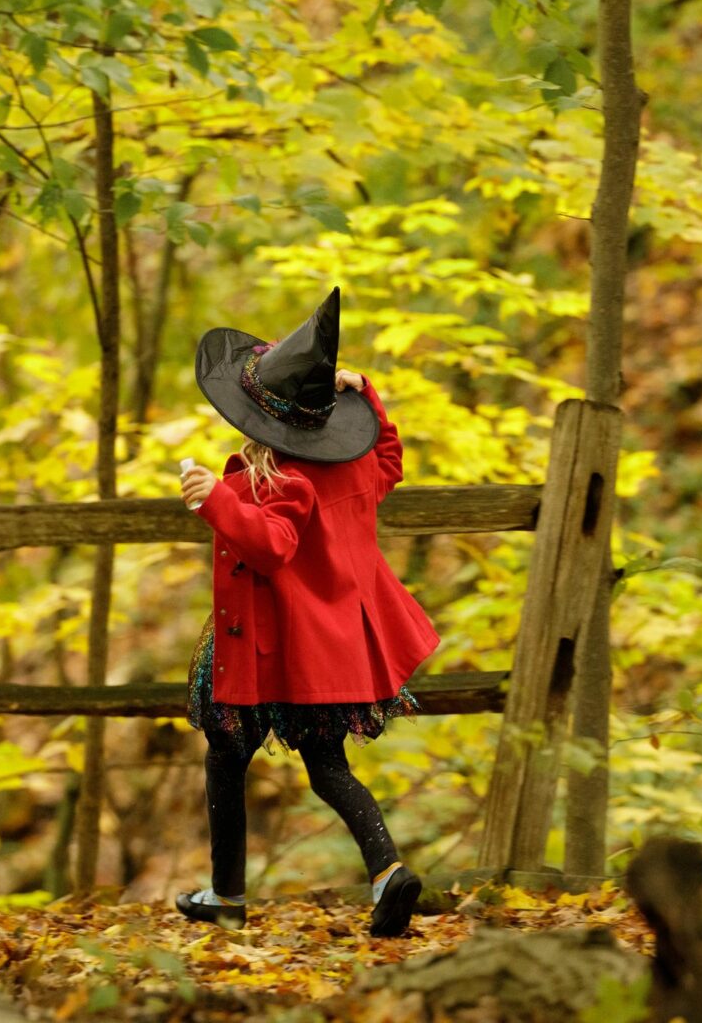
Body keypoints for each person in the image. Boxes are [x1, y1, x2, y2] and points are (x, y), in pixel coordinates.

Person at [174, 286, 441, 938]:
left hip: (273, 650)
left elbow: (272, 547)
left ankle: (228, 895)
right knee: (326, 764)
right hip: (330, 649)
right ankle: (386, 871)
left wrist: (217, 499)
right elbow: (390, 459)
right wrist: (367, 394)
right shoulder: (353, 470)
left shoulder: (282, 480)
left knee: (225, 751)